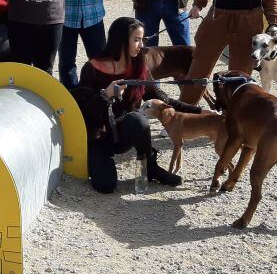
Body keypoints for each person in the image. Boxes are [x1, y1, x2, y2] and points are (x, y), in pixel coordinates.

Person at [72, 17, 196, 193]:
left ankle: (151, 167)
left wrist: (200, 111)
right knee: (105, 186)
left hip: (125, 133)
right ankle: (98, 161)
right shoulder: (91, 68)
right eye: (136, 40)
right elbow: (83, 111)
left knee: (138, 119)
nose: (141, 45)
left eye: (142, 40)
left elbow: (163, 99)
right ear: (121, 40)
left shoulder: (139, 67)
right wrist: (104, 96)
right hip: (99, 137)